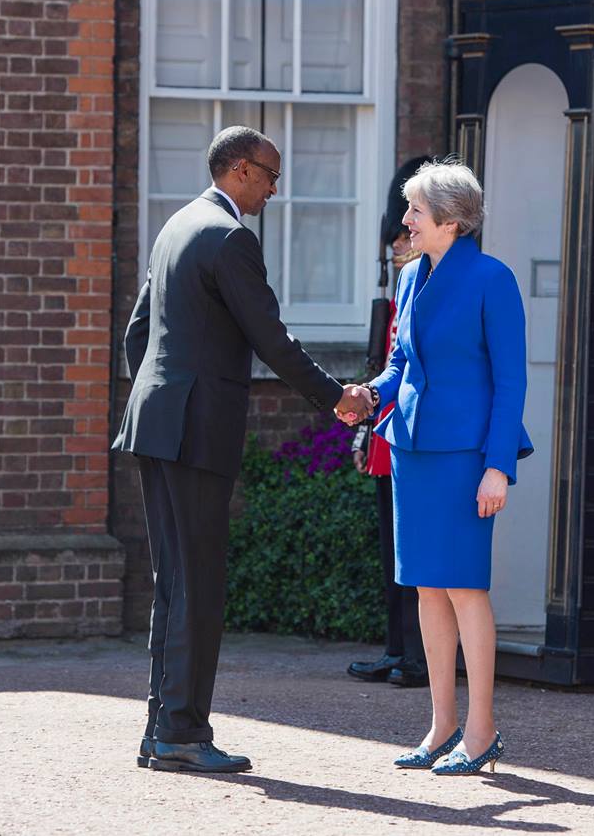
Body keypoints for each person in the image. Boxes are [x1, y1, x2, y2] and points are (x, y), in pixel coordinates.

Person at [112, 126, 370, 774]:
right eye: (270, 174)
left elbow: (136, 335)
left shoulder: (175, 226)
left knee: (171, 580)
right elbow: (273, 339)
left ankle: (160, 725)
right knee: (198, 584)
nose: (276, 189)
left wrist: (157, 392)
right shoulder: (230, 238)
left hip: (155, 421)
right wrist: (335, 397)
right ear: (238, 169)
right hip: (197, 429)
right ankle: (183, 732)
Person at [358, 160, 532, 776]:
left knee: (465, 588)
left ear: (452, 221)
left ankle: (481, 732)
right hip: (411, 449)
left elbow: (511, 383)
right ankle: (442, 725)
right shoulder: (408, 279)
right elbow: (401, 363)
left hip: (465, 457)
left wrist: (497, 467)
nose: (405, 221)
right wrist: (369, 395)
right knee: (427, 587)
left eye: (416, 212)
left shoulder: (493, 279)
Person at [347, 157, 429, 688]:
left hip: (417, 427)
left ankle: (420, 654)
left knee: (418, 547)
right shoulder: (402, 285)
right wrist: (361, 427)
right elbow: (384, 365)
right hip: (386, 427)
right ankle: (397, 647)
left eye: (406, 231)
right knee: (391, 547)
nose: (400, 241)